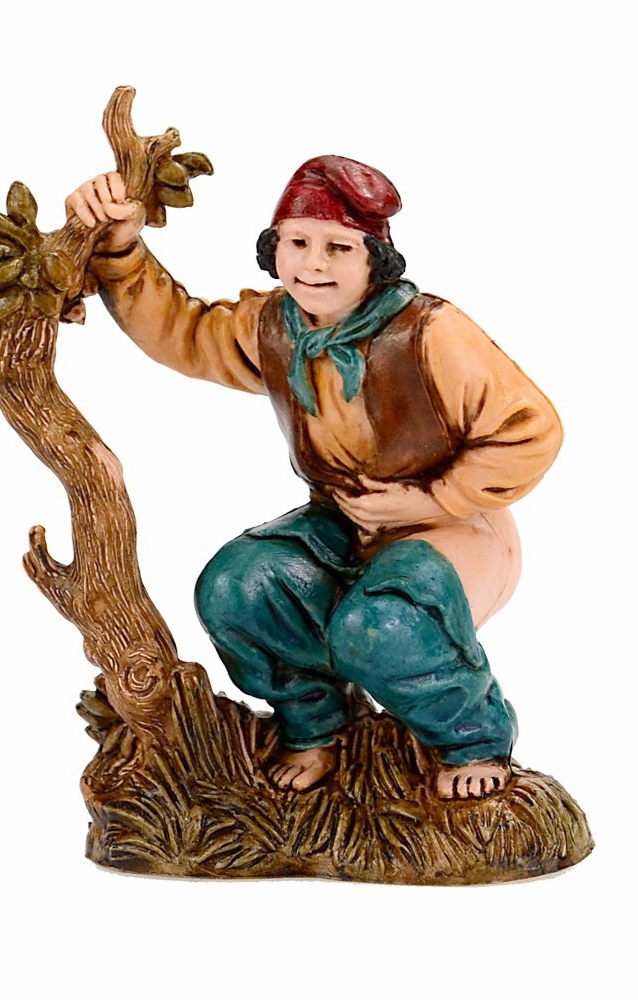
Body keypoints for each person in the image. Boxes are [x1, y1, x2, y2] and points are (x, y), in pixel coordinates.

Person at [66, 156, 562, 799]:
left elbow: (530, 429)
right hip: (344, 521)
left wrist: (432, 497)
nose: (313, 264)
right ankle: (317, 724)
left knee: (382, 624)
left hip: (454, 527)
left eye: (338, 247)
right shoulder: (275, 326)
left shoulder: (430, 333)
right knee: (238, 587)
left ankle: (472, 739)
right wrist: (121, 249)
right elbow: (183, 332)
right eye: (297, 242)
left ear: (374, 258)